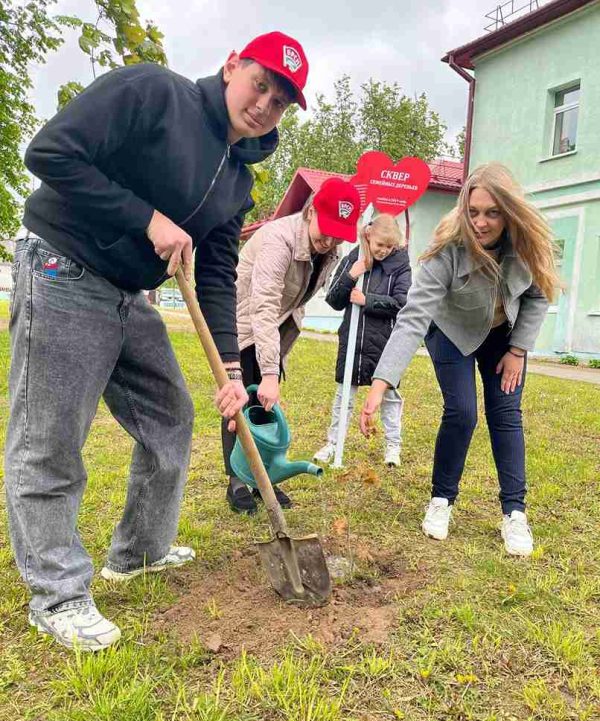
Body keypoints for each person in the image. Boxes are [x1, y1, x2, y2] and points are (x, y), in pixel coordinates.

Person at [5, 31, 310, 651]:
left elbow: (219, 276)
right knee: (52, 438)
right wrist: (145, 218)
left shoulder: (236, 181)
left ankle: (139, 552)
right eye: (261, 84)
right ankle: (58, 594)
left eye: (279, 101)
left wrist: (230, 369)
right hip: (63, 266)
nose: (264, 105)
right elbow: (49, 153)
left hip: (127, 294)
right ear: (232, 66)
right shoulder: (153, 92)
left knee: (171, 416)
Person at [360, 163, 559, 556]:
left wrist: (518, 350)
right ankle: (441, 500)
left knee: (505, 413)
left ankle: (515, 513)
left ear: (508, 211)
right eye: (473, 212)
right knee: (462, 412)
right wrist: (381, 383)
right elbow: (413, 317)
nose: (481, 223)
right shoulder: (448, 250)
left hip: (503, 336)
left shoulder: (524, 247)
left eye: (492, 212)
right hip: (450, 332)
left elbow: (537, 296)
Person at [224, 177, 361, 513]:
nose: (329, 240)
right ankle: (238, 480)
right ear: (310, 211)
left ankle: (263, 477)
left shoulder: (330, 249)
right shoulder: (278, 240)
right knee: (240, 399)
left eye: (337, 233)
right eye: (325, 228)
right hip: (241, 322)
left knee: (264, 405)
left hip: (276, 326)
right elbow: (264, 304)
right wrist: (269, 372)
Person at [313, 214, 411, 466]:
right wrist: (351, 275)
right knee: (343, 394)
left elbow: (402, 304)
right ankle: (334, 443)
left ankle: (393, 445)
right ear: (368, 236)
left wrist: (367, 300)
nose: (384, 251)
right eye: (380, 245)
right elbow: (334, 300)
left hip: (384, 341)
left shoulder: (400, 264)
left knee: (389, 395)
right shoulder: (354, 258)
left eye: (389, 247)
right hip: (353, 339)